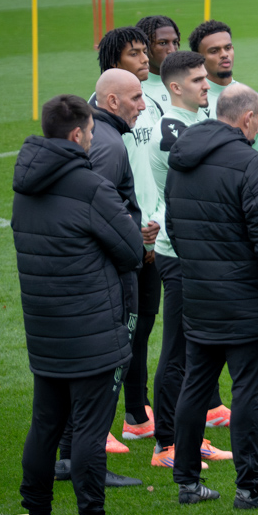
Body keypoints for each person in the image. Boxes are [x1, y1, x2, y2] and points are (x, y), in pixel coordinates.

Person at [13, 94, 145, 515]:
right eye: (90, 131)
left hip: (44, 328)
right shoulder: (90, 187)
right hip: (92, 332)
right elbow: (131, 251)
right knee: (89, 429)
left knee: (45, 425)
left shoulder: (25, 186)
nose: (93, 138)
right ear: (76, 134)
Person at [166, 86, 258, 509]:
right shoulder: (251, 163)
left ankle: (187, 481)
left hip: (198, 294)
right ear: (248, 118)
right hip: (246, 299)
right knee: (248, 394)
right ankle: (249, 488)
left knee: (195, 386)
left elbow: (173, 224)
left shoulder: (182, 158)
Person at [145, 50, 231, 469]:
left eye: (205, 78)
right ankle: (165, 444)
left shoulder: (196, 121)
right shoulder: (171, 128)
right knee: (178, 348)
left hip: (196, 250)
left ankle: (190, 439)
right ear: (175, 87)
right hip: (178, 252)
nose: (206, 85)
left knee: (198, 350)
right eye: (197, 80)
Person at [92, 31, 163, 444]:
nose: (145, 58)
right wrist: (130, 232)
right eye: (134, 53)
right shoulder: (99, 117)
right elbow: (99, 195)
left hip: (150, 232)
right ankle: (95, 426)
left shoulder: (147, 104)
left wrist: (154, 224)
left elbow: (154, 170)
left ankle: (136, 413)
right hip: (122, 239)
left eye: (144, 51)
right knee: (116, 332)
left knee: (141, 327)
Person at [84, 70, 151, 474]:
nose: (143, 105)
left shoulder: (103, 136)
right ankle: (90, 452)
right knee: (111, 358)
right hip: (109, 275)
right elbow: (96, 214)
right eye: (136, 98)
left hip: (97, 274)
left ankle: (76, 452)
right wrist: (132, 241)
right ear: (112, 101)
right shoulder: (109, 146)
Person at [191, 20, 258, 155]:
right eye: (214, 51)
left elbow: (256, 156)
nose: (224, 54)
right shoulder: (188, 100)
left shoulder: (254, 100)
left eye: (228, 48)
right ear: (198, 57)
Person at [135, 15, 181, 113]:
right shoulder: (133, 87)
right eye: (162, 43)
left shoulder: (187, 82)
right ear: (145, 45)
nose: (172, 50)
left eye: (175, 42)